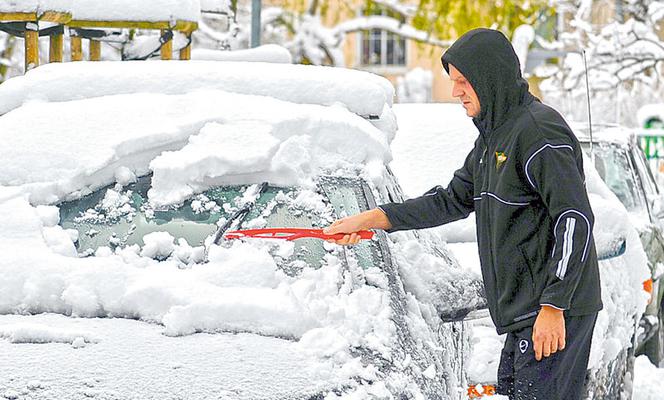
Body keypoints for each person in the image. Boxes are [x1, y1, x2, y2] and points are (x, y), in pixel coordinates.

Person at [323, 28, 602, 400]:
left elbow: (574, 219)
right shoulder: (493, 138)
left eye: (463, 82)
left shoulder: (538, 133)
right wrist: (375, 218)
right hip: (526, 311)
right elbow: (452, 200)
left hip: (553, 310)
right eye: (453, 82)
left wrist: (554, 304)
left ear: (490, 79)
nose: (456, 92)